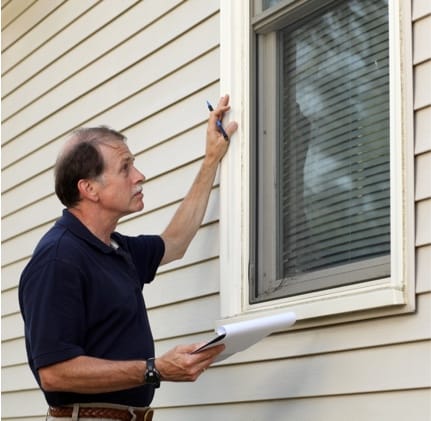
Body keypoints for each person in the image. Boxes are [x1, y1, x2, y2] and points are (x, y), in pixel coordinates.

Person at [19, 95, 238, 420]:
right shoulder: (58, 258)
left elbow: (175, 242)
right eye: (125, 168)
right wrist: (154, 369)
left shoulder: (115, 249)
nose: (139, 176)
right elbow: (55, 372)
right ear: (89, 189)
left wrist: (211, 160)